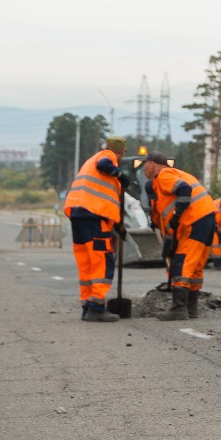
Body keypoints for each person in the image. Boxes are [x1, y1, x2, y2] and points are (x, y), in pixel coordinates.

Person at [139, 151, 218, 320]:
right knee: (194, 266)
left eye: (145, 165)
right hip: (206, 219)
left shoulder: (164, 174)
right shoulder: (168, 182)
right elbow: (167, 225)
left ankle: (179, 308)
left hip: (193, 221)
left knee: (182, 264)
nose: (144, 170)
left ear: (153, 164)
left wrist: (176, 216)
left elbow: (184, 189)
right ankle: (191, 309)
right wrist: (168, 246)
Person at [63, 136, 128, 323]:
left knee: (86, 263)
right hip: (92, 216)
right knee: (103, 261)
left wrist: (118, 227)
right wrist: (120, 175)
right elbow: (104, 164)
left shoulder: (90, 162)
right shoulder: (106, 157)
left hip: (78, 215)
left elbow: (103, 199)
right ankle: (97, 307)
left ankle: (87, 306)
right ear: (121, 151)